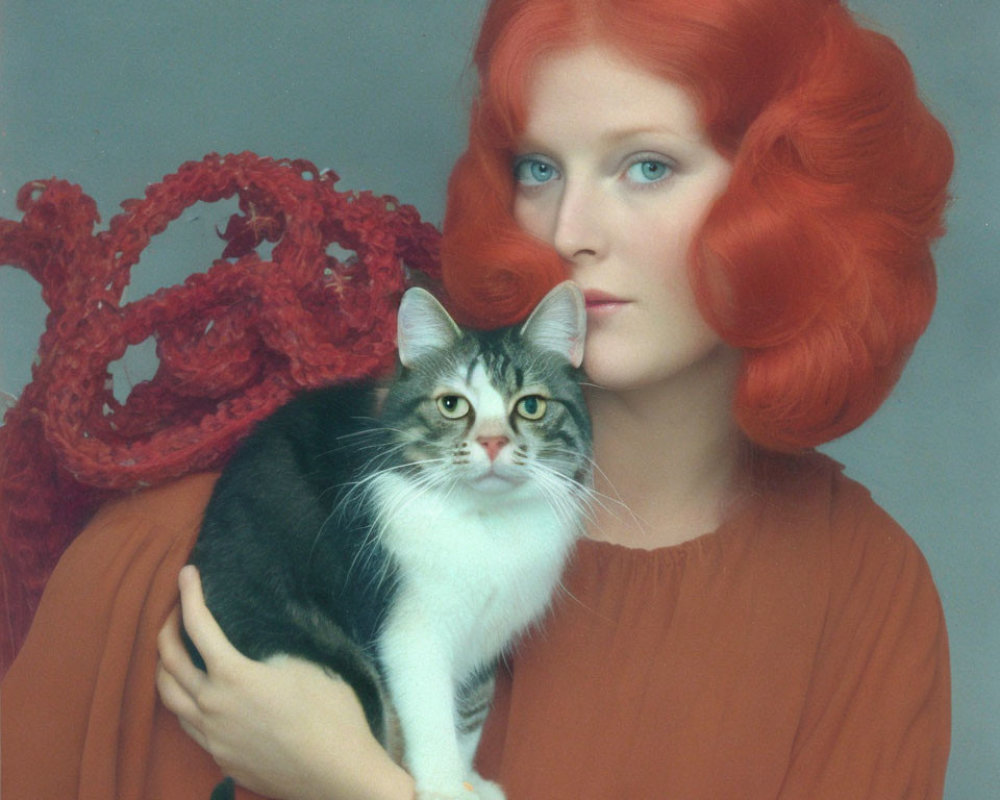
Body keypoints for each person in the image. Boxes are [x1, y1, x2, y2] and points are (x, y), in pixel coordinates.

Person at [2, 0, 953, 798]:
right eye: (540, 168)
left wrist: (362, 785)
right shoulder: (158, 576)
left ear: (787, 206)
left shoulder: (866, 603)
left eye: (647, 166)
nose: (568, 231)